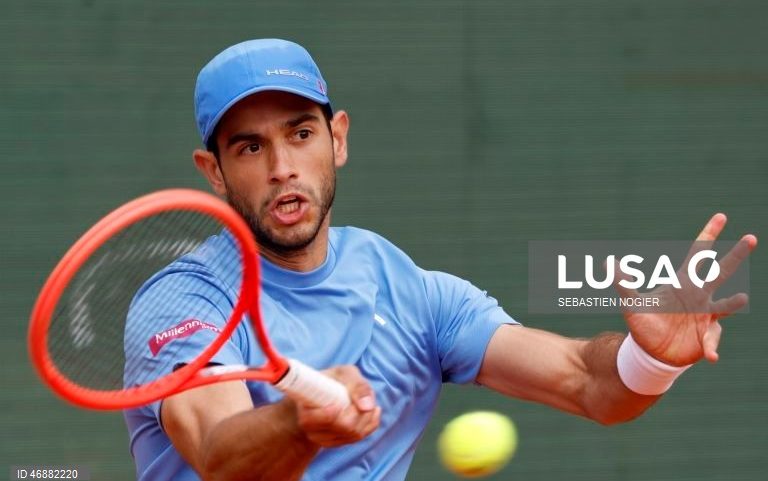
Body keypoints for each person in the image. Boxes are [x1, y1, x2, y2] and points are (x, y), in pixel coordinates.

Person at [123, 38, 757, 481]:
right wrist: (299, 423)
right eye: (250, 147)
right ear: (214, 171)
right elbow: (218, 456)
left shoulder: (411, 291)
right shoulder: (186, 300)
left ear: (337, 138)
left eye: (301, 133)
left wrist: (650, 359)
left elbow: (589, 384)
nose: (282, 166)